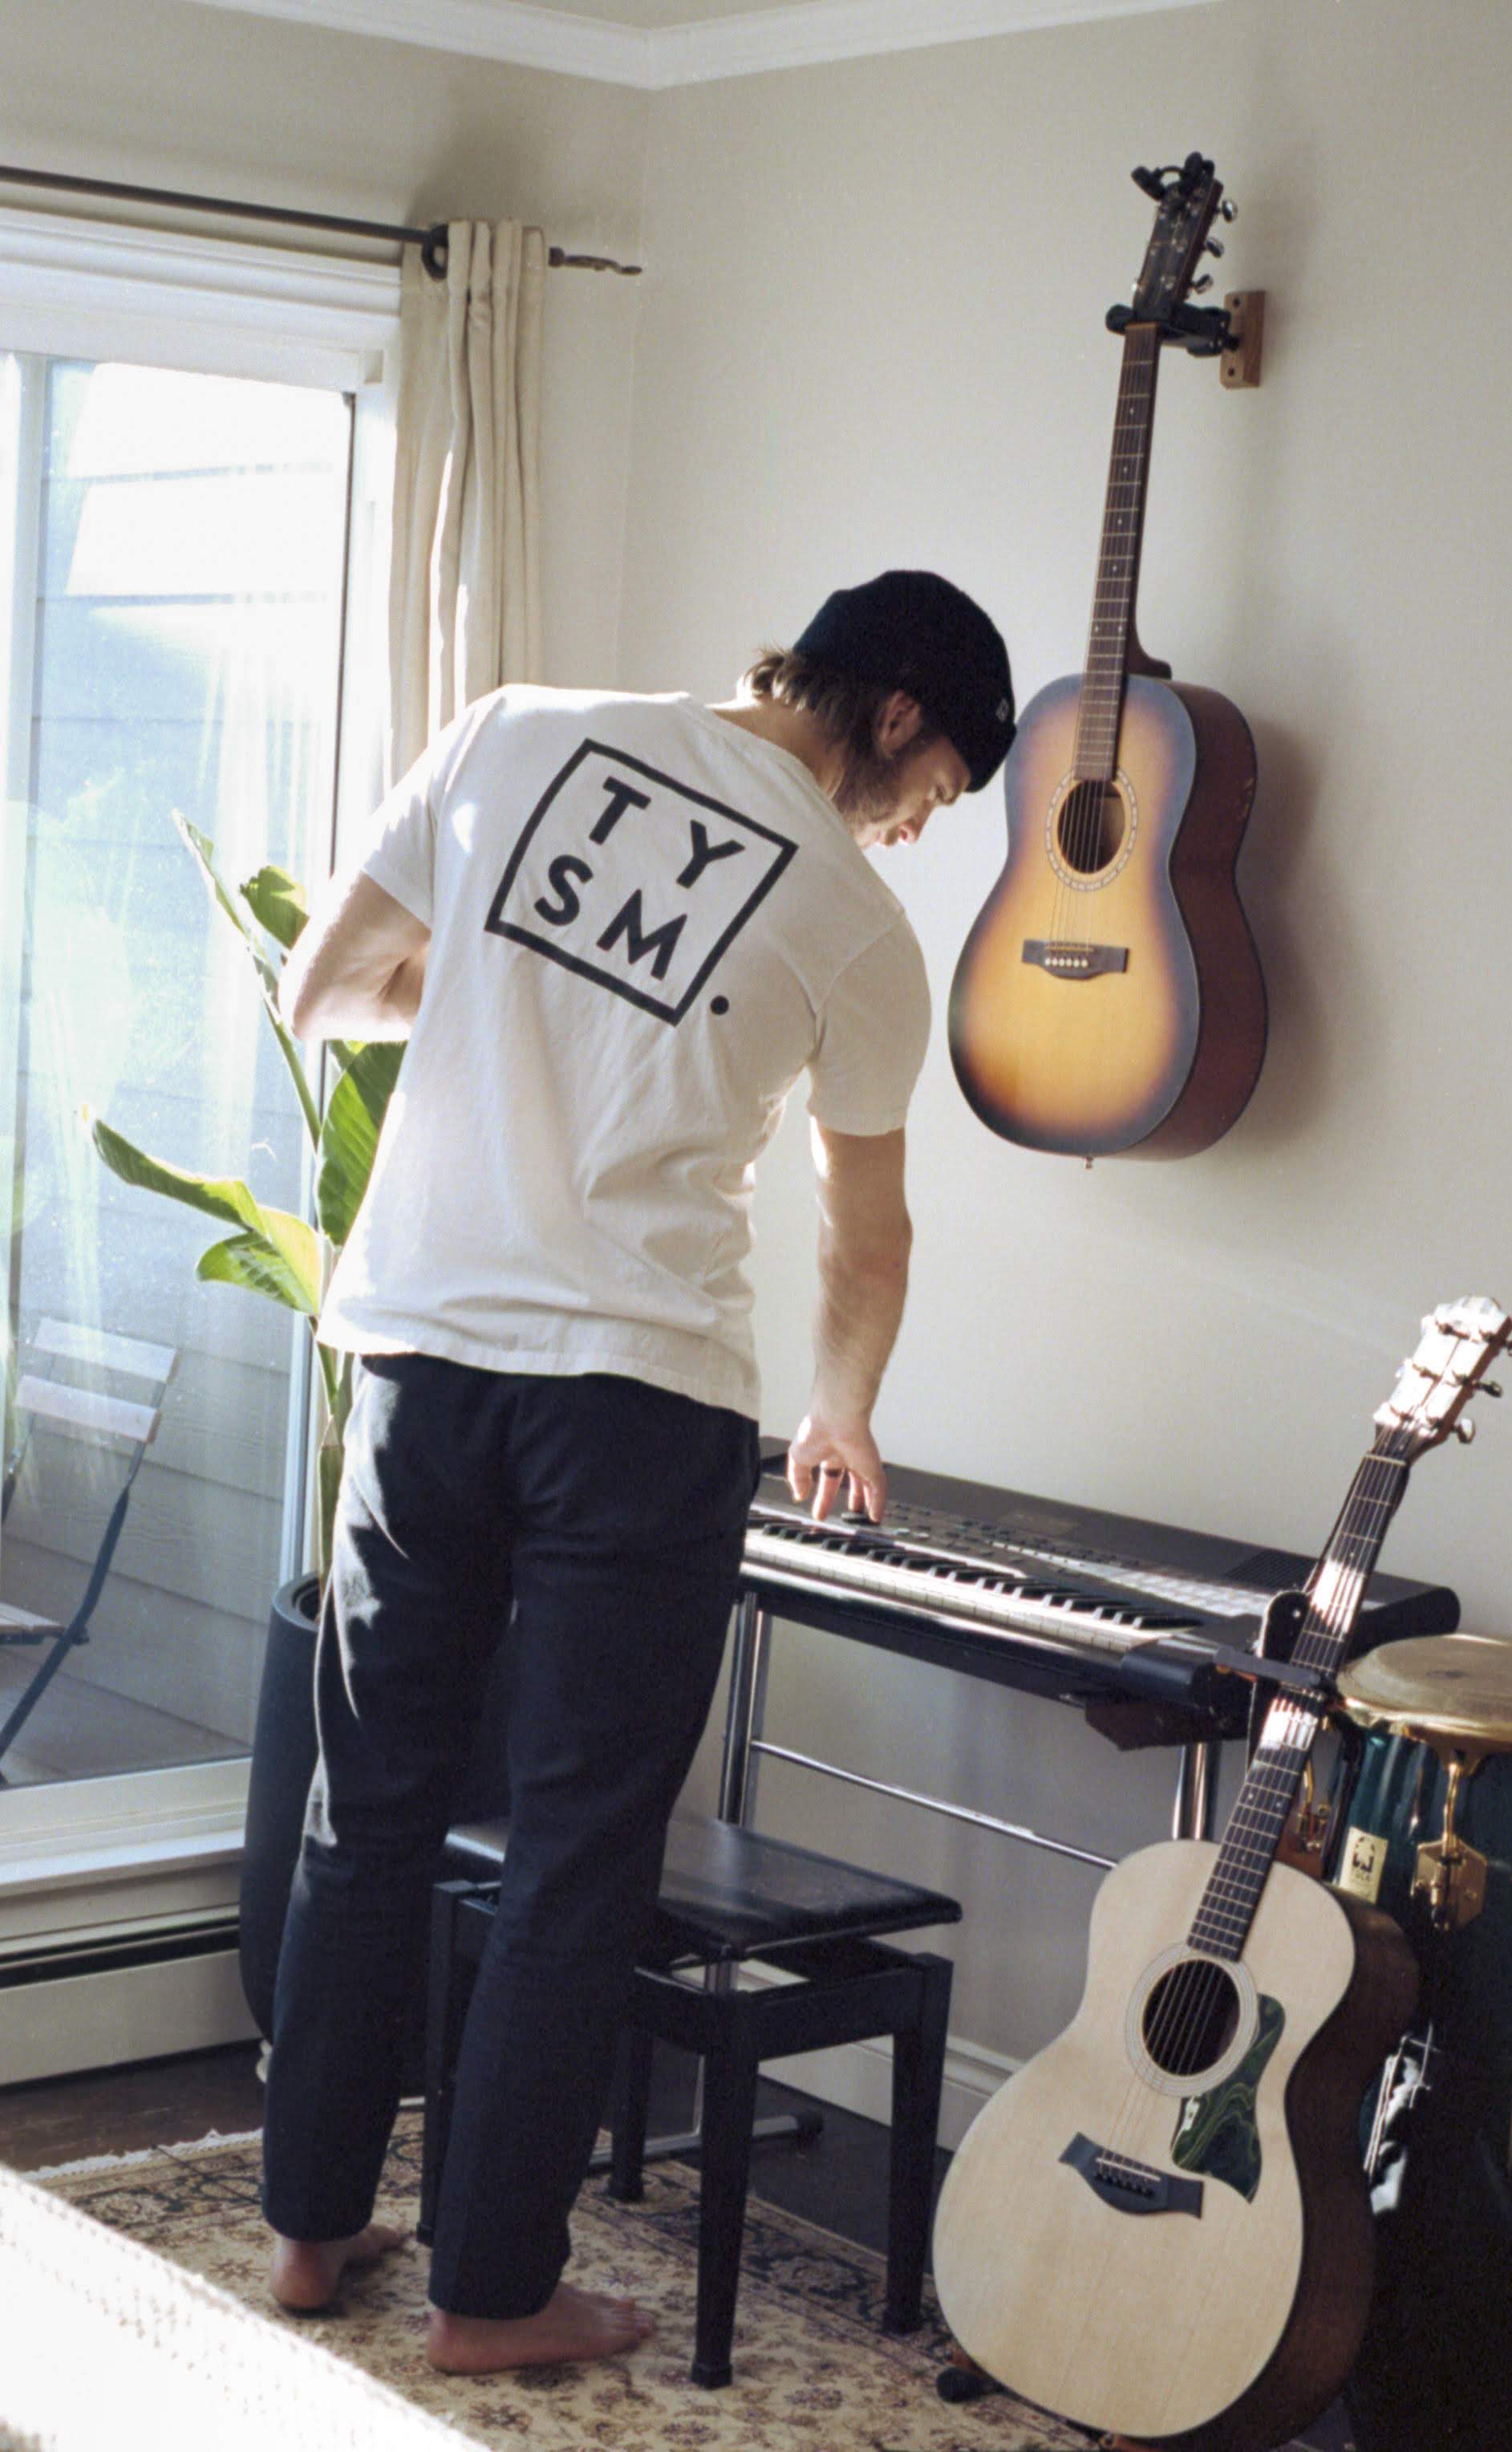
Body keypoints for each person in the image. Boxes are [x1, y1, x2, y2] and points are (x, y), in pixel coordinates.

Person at [261, 569, 1015, 2373]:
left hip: (426, 1358)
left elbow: (326, 990)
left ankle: (307, 2229)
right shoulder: (852, 926)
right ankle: (492, 2295)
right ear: (899, 713)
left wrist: (494, 1000)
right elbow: (868, 1237)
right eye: (939, 791)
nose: (915, 830)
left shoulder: (513, 731)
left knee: (365, 1804)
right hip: (639, 1397)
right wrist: (840, 1403)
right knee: (577, 1853)